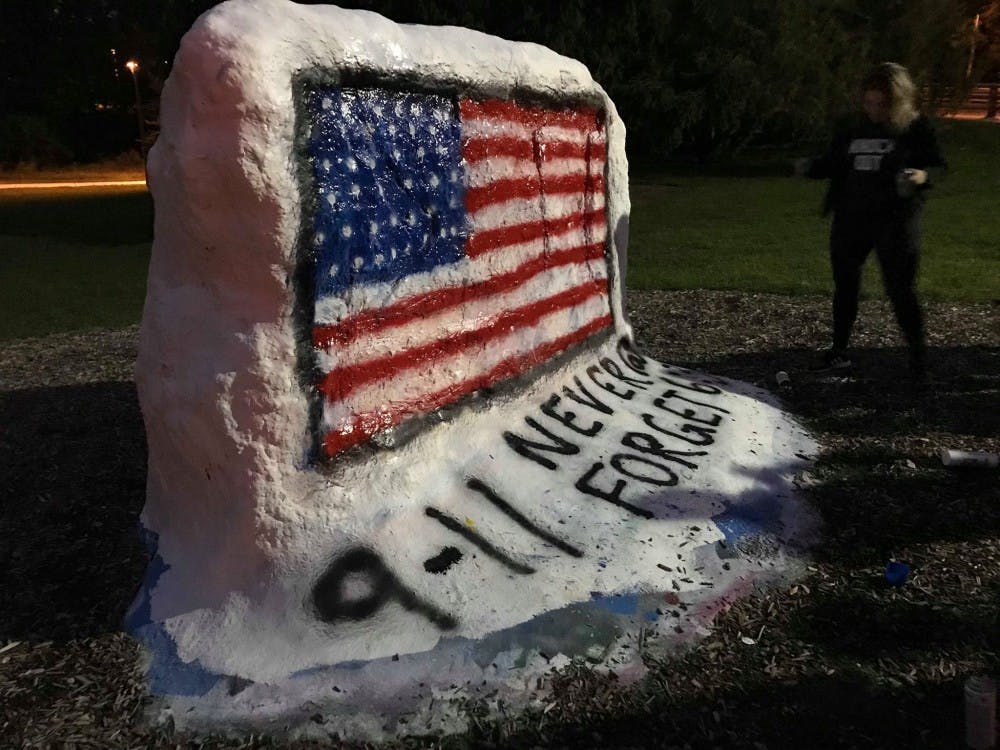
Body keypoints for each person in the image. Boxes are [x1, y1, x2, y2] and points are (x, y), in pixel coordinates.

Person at [796, 62, 946, 379]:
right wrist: (810, 167)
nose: (874, 110)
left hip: (894, 223)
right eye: (869, 102)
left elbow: (939, 167)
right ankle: (839, 351)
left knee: (900, 289)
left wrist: (921, 175)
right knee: (845, 286)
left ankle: (919, 358)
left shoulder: (915, 128)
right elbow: (835, 163)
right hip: (851, 220)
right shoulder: (852, 127)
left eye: (882, 104)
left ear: (899, 101)